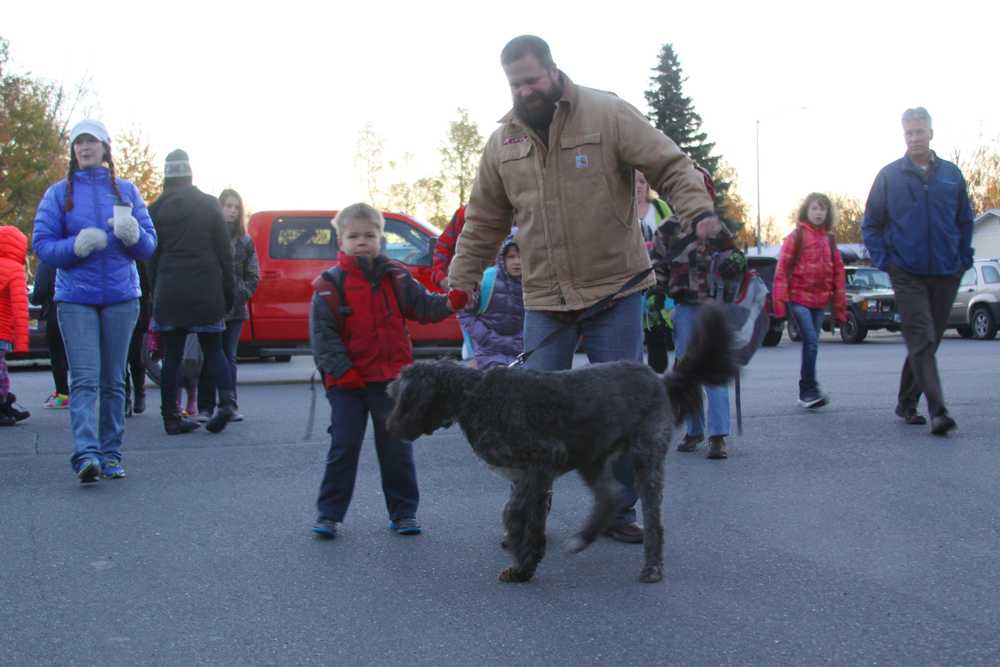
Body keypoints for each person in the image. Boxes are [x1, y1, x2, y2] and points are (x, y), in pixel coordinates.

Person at [447, 35, 720, 541]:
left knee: (619, 409)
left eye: (531, 79)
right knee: (526, 415)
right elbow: (484, 218)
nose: (525, 90)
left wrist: (698, 210)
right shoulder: (502, 141)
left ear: (552, 70)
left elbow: (670, 163)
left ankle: (617, 510)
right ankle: (528, 517)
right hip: (546, 298)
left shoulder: (607, 113)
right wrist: (463, 280)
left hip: (615, 289)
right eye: (515, 83)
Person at [310, 203, 454, 540]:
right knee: (344, 447)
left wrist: (452, 302)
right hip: (347, 384)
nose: (363, 241)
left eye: (370, 235)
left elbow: (423, 307)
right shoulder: (329, 286)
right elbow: (323, 338)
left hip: (390, 381)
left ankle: (403, 512)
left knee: (396, 447)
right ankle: (329, 514)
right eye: (354, 236)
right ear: (341, 241)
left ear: (381, 238)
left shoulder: (397, 277)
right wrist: (342, 372)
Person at [31, 119, 157, 481]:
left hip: (121, 297)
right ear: (73, 151)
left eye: (91, 142)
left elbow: (149, 245)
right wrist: (76, 246)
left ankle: (111, 454)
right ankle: (87, 454)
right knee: (84, 381)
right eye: (78, 143)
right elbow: (42, 244)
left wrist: (133, 234)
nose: (84, 148)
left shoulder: (127, 191)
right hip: (75, 299)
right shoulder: (58, 194)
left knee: (114, 382)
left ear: (105, 148)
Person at [862, 107, 974, 436]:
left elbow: (964, 220)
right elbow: (871, 224)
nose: (914, 138)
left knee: (928, 340)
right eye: (909, 133)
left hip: (946, 270)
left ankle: (905, 401)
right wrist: (886, 260)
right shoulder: (889, 176)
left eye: (919, 132)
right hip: (906, 271)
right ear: (903, 135)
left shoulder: (951, 175)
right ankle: (938, 411)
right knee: (922, 338)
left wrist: (963, 257)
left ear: (931, 133)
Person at [147, 150, 237, 436]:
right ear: (189, 173)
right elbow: (225, 253)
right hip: (206, 287)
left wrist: (154, 290)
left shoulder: (155, 210)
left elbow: (150, 257)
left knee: (171, 357)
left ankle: (171, 417)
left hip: (170, 289)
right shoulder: (209, 205)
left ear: (167, 175)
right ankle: (226, 402)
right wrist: (228, 291)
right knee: (214, 349)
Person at [653, 167, 738, 460]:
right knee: (686, 370)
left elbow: (735, 259)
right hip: (684, 308)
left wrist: (733, 265)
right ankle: (693, 428)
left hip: (712, 308)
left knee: (713, 369)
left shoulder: (716, 228)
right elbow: (658, 266)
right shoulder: (666, 229)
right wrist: (656, 293)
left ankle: (718, 435)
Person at [772, 193, 847, 409]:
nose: (818, 213)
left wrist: (840, 310)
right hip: (798, 298)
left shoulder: (829, 240)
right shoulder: (796, 236)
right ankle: (808, 389)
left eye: (822, 209)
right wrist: (779, 305)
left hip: (819, 301)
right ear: (806, 211)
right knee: (812, 341)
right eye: (814, 208)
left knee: (811, 343)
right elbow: (782, 270)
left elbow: (838, 275)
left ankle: (806, 390)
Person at [196, 188, 259, 423]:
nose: (231, 211)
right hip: (211, 306)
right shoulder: (207, 237)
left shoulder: (245, 240)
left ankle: (229, 405)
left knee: (229, 356)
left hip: (235, 308)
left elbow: (253, 275)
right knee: (210, 356)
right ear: (219, 207)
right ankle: (205, 407)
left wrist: (238, 294)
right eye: (227, 205)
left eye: (235, 207)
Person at [458, 233, 524, 369]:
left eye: (521, 256)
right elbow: (465, 314)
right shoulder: (487, 279)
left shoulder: (534, 284)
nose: (517, 261)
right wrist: (487, 338)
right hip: (488, 353)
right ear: (502, 258)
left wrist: (521, 341)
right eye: (511, 257)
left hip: (521, 354)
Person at [636, 170, 674, 373]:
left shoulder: (660, 208)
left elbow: (674, 239)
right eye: (634, 182)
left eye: (642, 181)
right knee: (633, 334)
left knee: (656, 330)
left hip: (657, 278)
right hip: (631, 279)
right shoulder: (620, 208)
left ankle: (656, 373)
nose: (639, 186)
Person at [29, 260, 70, 409]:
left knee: (58, 355)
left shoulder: (49, 261)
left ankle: (63, 395)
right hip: (82, 310)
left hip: (55, 310)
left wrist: (34, 299)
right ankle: (85, 393)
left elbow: (40, 290)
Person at [0, 226, 31, 426]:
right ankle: (3, 406)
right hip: (2, 331)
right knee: (1, 371)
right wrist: (21, 343)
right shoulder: (15, 270)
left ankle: (5, 405)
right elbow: (21, 309)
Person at [124, 259, 151, 415]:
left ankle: (139, 393)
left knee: (135, 357)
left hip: (138, 309)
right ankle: (126, 397)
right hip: (119, 308)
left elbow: (148, 284)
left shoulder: (139, 256)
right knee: (121, 359)